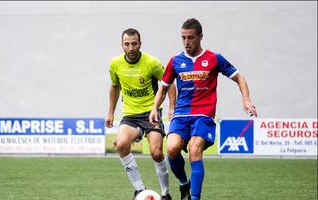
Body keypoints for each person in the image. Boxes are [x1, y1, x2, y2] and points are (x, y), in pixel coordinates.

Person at [149, 18, 258, 200]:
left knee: (194, 149)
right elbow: (164, 87)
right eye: (183, 38)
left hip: (203, 115)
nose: (186, 42)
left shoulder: (214, 58)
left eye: (190, 38)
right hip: (181, 114)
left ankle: (194, 198)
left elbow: (239, 77)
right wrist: (154, 108)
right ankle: (184, 183)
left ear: (200, 37)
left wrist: (246, 100)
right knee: (172, 149)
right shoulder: (175, 60)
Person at [105, 28, 176, 200]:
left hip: (151, 114)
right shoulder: (115, 64)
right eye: (127, 44)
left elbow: (169, 83)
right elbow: (115, 86)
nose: (130, 48)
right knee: (121, 145)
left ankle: (166, 193)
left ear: (140, 44)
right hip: (130, 116)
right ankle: (139, 189)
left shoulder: (152, 63)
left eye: (134, 44)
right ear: (122, 45)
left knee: (156, 153)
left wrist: (172, 107)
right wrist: (111, 112)